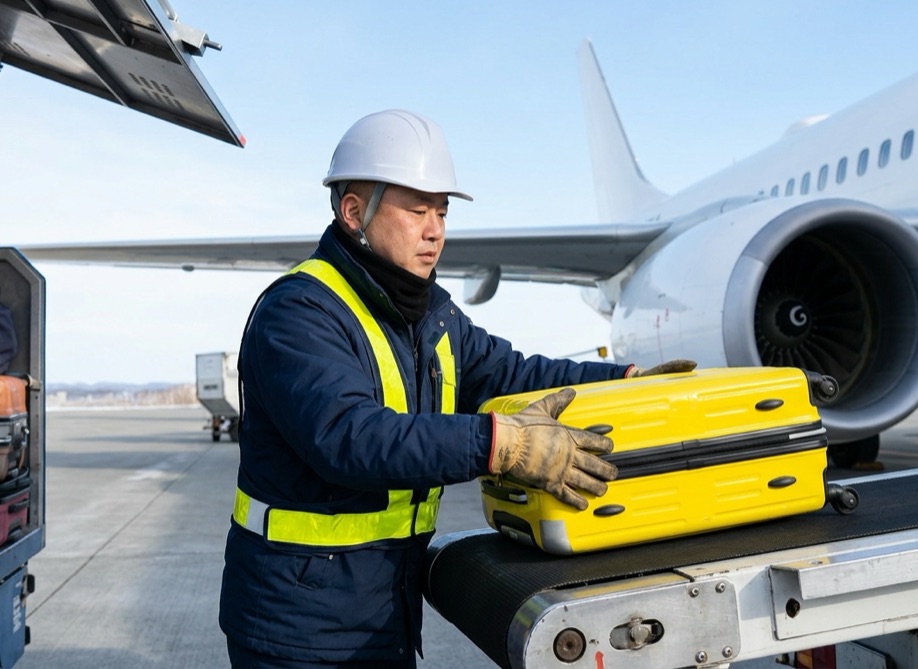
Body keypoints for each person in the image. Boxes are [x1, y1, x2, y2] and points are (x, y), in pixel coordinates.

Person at [218, 109, 694, 667]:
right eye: (417, 210)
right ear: (353, 212)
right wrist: (502, 446)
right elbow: (349, 437)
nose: (435, 229)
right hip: (297, 624)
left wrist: (623, 381)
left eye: (441, 212)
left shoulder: (432, 316)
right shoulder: (299, 312)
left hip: (382, 608)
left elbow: (517, 374)